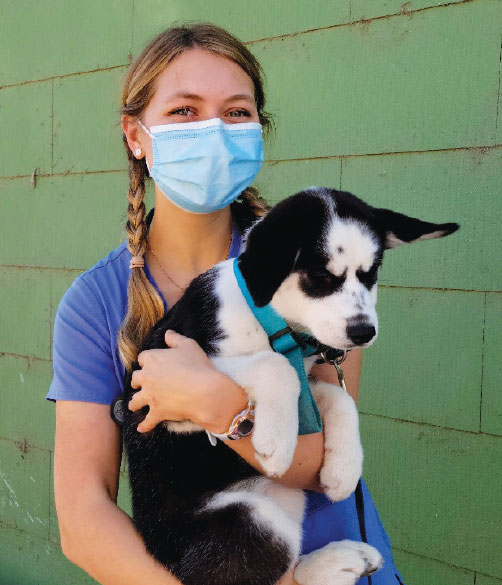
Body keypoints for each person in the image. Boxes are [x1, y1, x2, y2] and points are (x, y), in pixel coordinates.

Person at [47, 22, 405, 585]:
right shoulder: (95, 302)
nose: (213, 129)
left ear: (259, 130)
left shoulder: (313, 261)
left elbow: (320, 467)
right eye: (185, 111)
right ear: (135, 135)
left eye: (237, 112)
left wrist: (223, 407)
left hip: (336, 561)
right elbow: (82, 517)